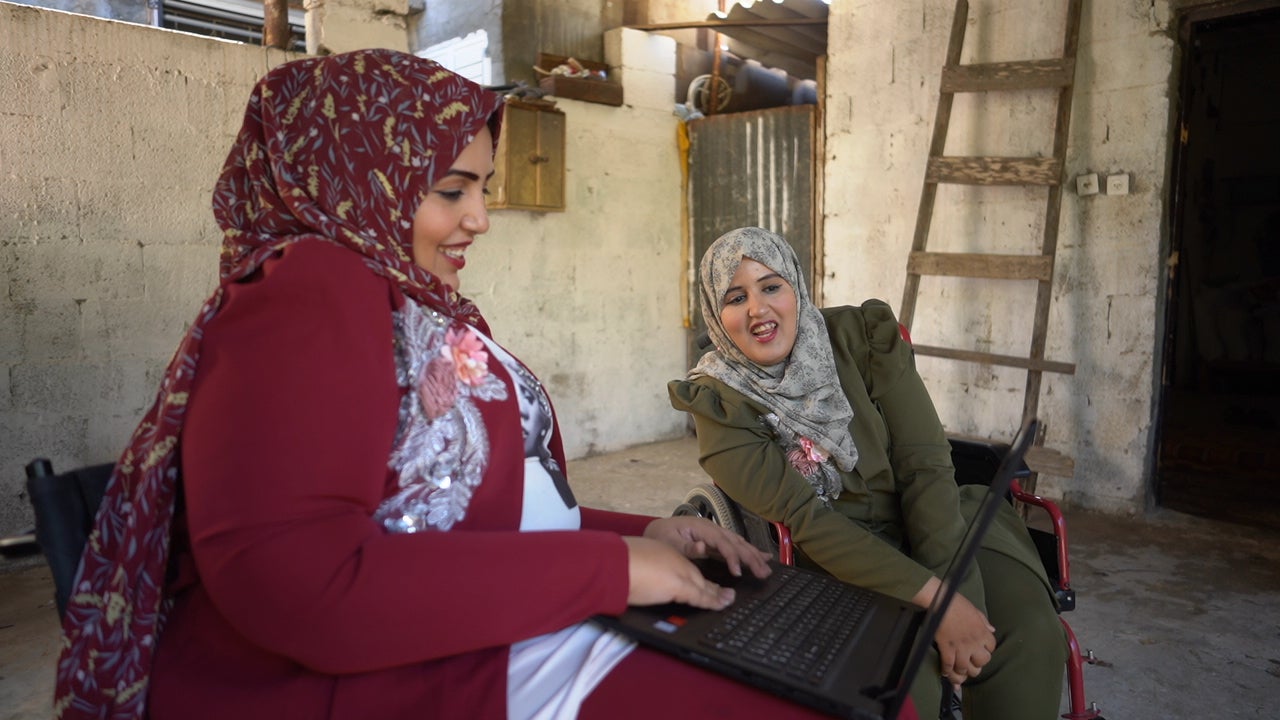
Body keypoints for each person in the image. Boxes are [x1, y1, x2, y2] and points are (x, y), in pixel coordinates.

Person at [49, 52, 920, 720]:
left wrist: (644, 531)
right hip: (398, 674)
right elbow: (299, 587)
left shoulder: (406, 301)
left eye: (483, 189)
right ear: (360, 176)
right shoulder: (309, 292)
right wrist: (609, 568)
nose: (478, 217)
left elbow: (466, 504)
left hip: (499, 623)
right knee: (830, 695)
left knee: (853, 669)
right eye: (450, 190)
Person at [668, 227, 1067, 719]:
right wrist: (938, 603)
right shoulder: (719, 403)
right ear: (715, 313)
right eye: (735, 296)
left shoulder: (863, 338)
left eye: (771, 286)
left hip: (942, 524)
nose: (758, 309)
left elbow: (925, 463)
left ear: (795, 285)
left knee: (1029, 636)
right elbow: (809, 521)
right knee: (906, 683)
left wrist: (959, 591)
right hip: (838, 561)